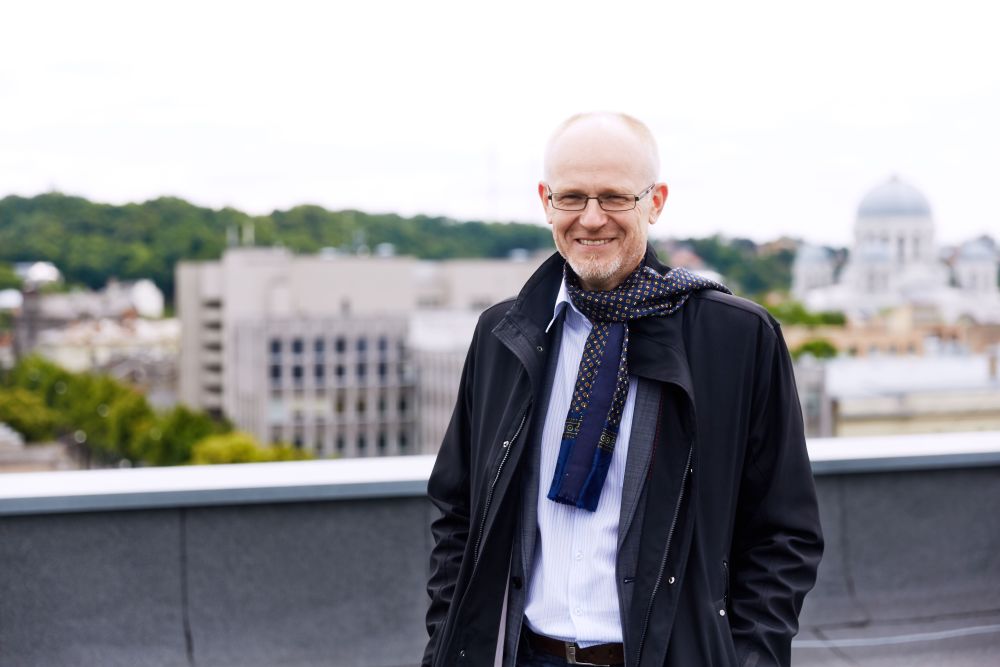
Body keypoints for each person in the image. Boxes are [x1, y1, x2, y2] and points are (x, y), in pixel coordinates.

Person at [423, 112, 823, 667]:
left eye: (614, 197)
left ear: (655, 202)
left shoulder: (736, 338)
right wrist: (447, 644)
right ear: (546, 202)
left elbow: (784, 534)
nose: (591, 219)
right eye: (571, 197)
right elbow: (458, 513)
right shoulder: (503, 335)